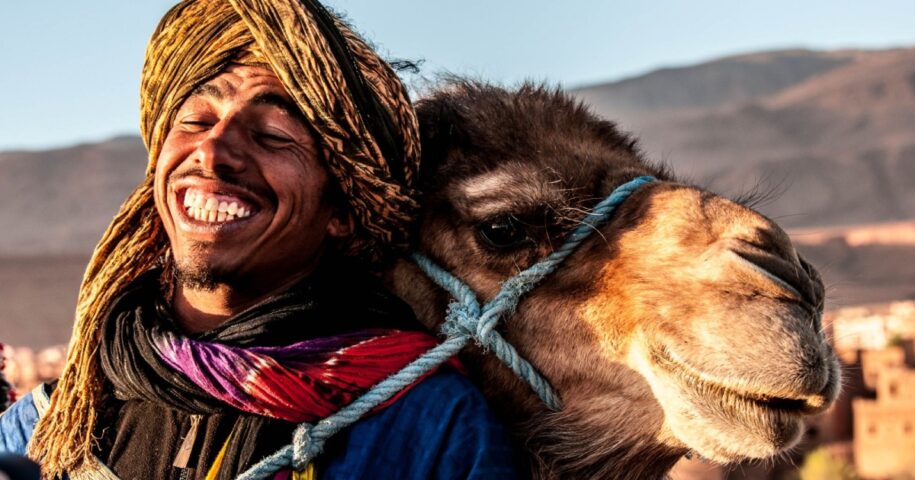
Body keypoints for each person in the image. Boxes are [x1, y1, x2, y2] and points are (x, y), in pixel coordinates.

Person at [0, 1, 518, 479]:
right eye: (195, 120)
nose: (213, 149)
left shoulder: (427, 430)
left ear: (340, 210)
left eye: (271, 136)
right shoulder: (47, 427)